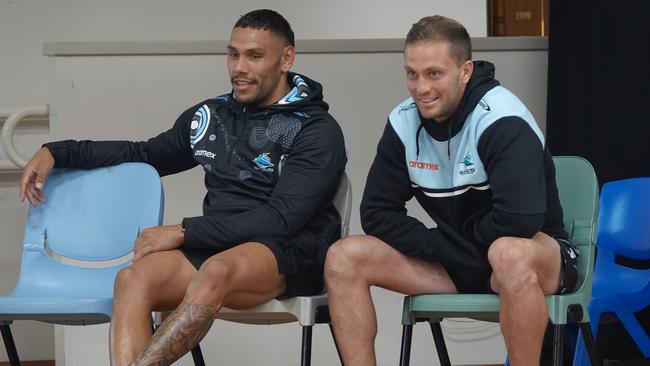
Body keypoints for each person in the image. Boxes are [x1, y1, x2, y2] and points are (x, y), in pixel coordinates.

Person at [20, 9, 346, 366]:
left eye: (254, 56)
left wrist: (184, 231)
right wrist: (58, 150)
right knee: (132, 279)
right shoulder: (211, 116)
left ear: (286, 58)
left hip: (287, 252)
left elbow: (282, 218)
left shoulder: (316, 129)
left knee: (217, 270)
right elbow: (142, 153)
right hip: (214, 245)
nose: (239, 67)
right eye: (233, 54)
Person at [324, 15, 578, 366]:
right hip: (460, 260)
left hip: (534, 258)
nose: (420, 88)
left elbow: (521, 218)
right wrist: (443, 247)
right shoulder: (403, 122)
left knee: (508, 254)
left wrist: (454, 244)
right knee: (343, 257)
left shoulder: (501, 117)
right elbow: (377, 213)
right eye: (412, 74)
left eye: (433, 74)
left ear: (465, 71)